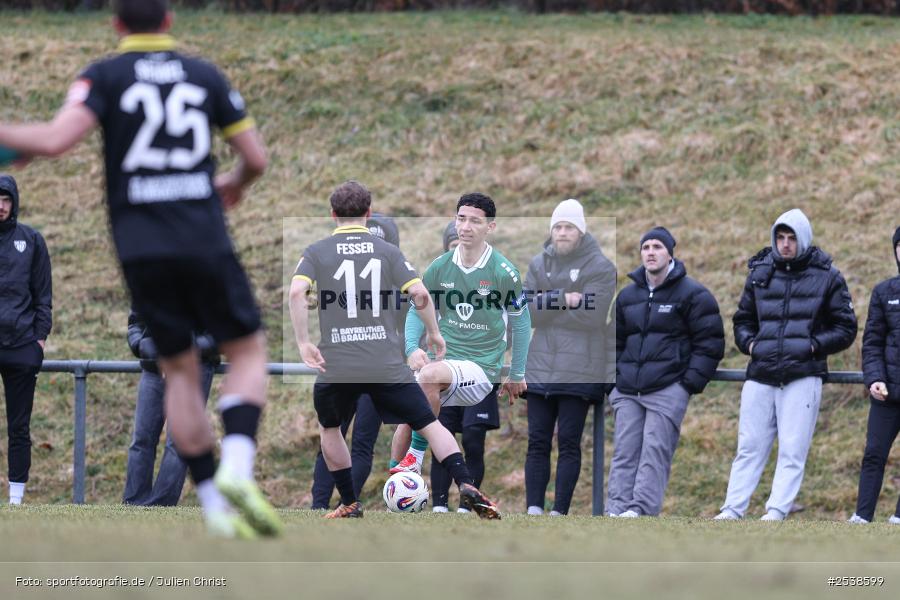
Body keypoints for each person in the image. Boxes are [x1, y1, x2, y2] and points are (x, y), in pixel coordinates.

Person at [0, 0, 281, 538]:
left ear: (117, 24)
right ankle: (238, 470)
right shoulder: (204, 76)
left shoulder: (104, 75)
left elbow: (57, 140)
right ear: (170, 21)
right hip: (202, 236)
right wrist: (236, 184)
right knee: (246, 351)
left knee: (176, 368)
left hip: (140, 247)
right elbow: (257, 158)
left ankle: (216, 507)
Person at [289, 180, 500, 519]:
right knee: (430, 423)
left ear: (332, 214)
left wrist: (302, 343)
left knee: (330, 429)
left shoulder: (317, 251)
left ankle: (349, 503)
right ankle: (466, 484)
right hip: (384, 364)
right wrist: (434, 334)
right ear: (368, 213)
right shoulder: (387, 252)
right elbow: (420, 294)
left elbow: (298, 293)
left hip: (339, 362)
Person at [716, 209, 857, 521]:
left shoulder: (828, 276)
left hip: (803, 375)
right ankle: (732, 509)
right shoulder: (759, 272)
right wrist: (752, 345)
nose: (785, 244)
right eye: (780, 237)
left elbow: (846, 327)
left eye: (791, 238)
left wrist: (812, 346)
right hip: (761, 373)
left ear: (803, 239)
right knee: (749, 446)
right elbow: (742, 320)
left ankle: (776, 511)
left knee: (793, 448)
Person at [391, 193, 532, 476]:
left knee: (428, 378)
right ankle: (396, 479)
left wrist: (516, 373)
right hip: (443, 365)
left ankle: (415, 459)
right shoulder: (440, 266)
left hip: (480, 368)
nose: (465, 227)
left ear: (490, 227)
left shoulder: (504, 272)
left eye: (475, 221)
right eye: (461, 218)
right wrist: (410, 348)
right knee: (407, 416)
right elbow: (417, 309)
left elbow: (521, 323)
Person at [608, 227, 724, 518]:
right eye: (645, 247)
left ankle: (641, 511)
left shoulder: (694, 294)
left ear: (670, 253)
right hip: (628, 390)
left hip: (667, 388)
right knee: (624, 453)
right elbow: (613, 341)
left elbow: (709, 343)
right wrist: (614, 383)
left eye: (657, 246)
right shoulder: (627, 295)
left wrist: (687, 384)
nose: (650, 252)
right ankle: (616, 510)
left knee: (654, 453)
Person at [523, 199, 616, 516]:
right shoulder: (538, 263)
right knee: (537, 442)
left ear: (580, 231)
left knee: (569, 444)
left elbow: (592, 317)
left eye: (569, 227)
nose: (562, 233)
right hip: (539, 369)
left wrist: (545, 307)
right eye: (558, 227)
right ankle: (533, 509)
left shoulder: (601, 267)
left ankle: (559, 511)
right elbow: (525, 314)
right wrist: (563, 298)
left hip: (579, 370)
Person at [309, 213, 396, 509]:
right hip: (370, 367)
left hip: (350, 365)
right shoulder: (391, 273)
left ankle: (334, 505)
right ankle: (327, 504)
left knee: (340, 437)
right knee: (343, 438)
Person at [428, 221, 501, 513]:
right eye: (453, 246)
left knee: (472, 439)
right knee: (440, 435)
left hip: (478, 374)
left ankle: (466, 504)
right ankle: (438, 505)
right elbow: (422, 319)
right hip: (445, 372)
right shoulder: (439, 280)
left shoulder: (492, 279)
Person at [123, 309, 218, 506]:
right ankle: (133, 504)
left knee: (179, 442)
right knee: (142, 439)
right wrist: (141, 344)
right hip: (154, 365)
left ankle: (160, 506)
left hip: (195, 367)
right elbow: (135, 321)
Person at [0, 174, 51, 505]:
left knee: (19, 427)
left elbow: (43, 295)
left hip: (21, 346)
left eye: (5, 200)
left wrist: (39, 341)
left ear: (13, 202)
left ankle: (16, 499)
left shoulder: (31, 241)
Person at [849, 226, 900, 525]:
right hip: (887, 394)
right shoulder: (884, 292)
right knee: (874, 454)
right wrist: (874, 378)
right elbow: (872, 342)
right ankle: (862, 516)